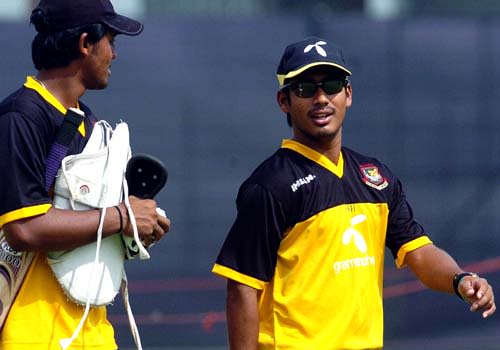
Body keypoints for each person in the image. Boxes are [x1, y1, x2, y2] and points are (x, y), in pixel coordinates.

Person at [212, 37, 496, 350]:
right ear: (284, 101)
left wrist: (459, 279)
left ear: (348, 94)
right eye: (306, 89)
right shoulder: (270, 184)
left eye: (331, 85)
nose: (321, 98)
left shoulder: (376, 177)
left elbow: (418, 252)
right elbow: (241, 288)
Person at [0, 0, 170, 349]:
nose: (114, 54)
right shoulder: (22, 116)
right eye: (111, 40)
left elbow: (90, 222)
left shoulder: (85, 119)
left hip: (91, 327)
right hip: (33, 328)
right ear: (85, 44)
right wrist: (122, 216)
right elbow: (24, 228)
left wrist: (136, 227)